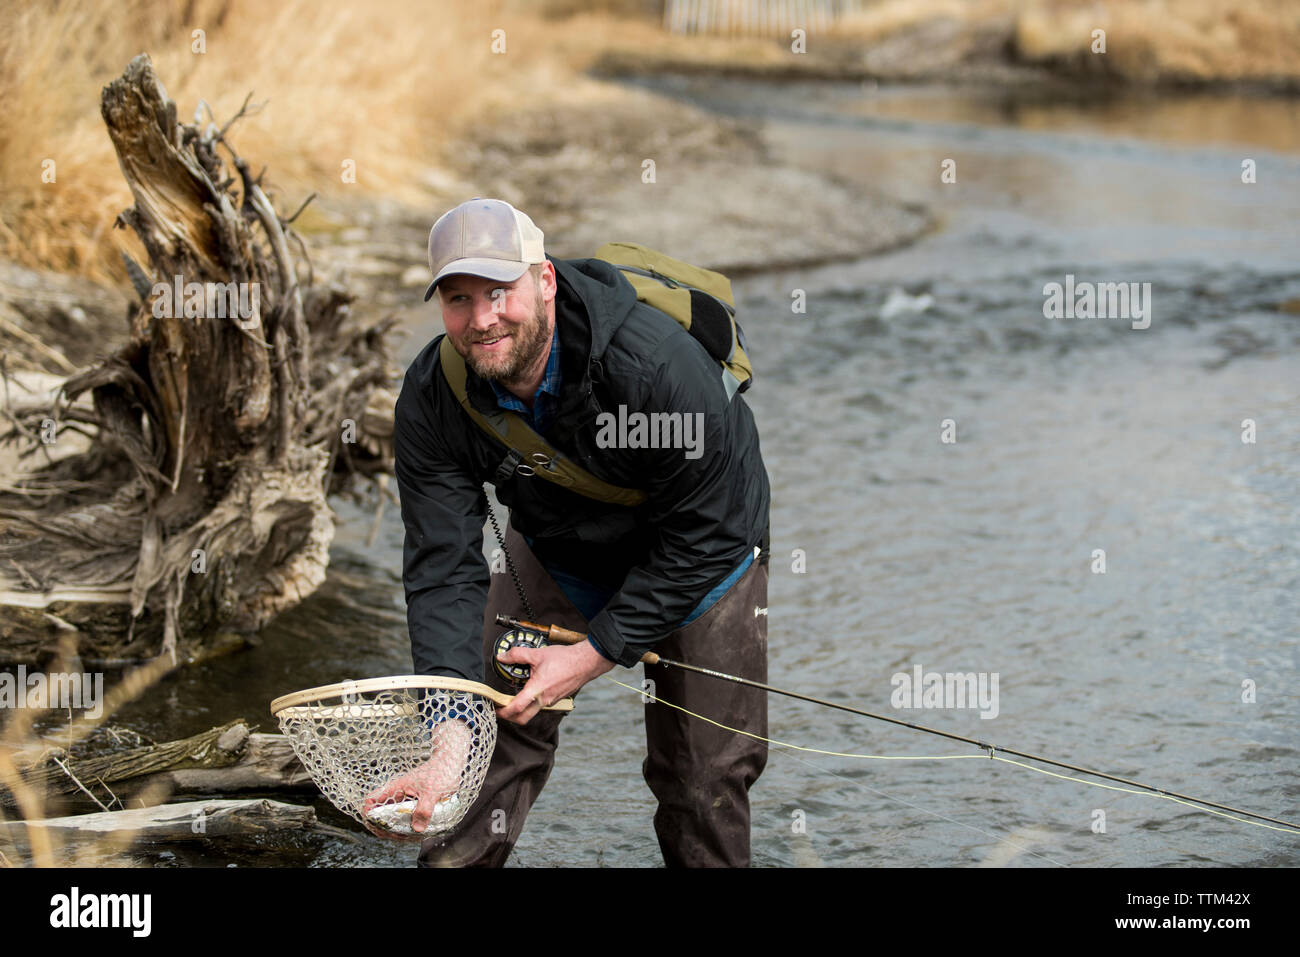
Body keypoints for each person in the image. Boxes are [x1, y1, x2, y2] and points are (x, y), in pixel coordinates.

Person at [391, 197, 771, 867]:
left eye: (499, 291)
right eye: (458, 299)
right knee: (487, 743)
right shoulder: (434, 397)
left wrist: (595, 650)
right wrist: (449, 726)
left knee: (702, 777)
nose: (482, 320)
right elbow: (443, 568)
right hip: (561, 545)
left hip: (701, 550)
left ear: (544, 281)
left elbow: (708, 535)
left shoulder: (654, 369)